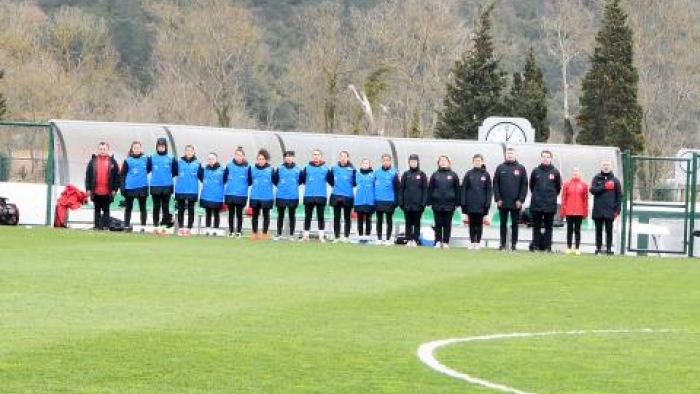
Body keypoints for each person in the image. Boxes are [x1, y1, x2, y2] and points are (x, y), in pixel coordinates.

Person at [493, 148, 528, 251]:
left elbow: (524, 185)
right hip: (502, 202)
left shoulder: (521, 168)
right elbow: (495, 184)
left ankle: (514, 244)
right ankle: (502, 244)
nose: (510, 155)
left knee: (515, 224)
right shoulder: (500, 167)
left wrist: (520, 200)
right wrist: (498, 198)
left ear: (515, 155)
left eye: (511, 153)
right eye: (508, 153)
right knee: (503, 224)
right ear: (505, 155)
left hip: (515, 202)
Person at [528, 150, 562, 252]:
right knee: (536, 227)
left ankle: (548, 247)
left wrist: (550, 197)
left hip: (549, 205)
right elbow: (531, 186)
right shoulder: (535, 171)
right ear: (541, 158)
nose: (545, 158)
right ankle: (535, 246)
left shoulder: (555, 172)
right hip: (536, 204)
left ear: (551, 159)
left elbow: (558, 188)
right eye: (544, 156)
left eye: (547, 157)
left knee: (548, 227)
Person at [590, 159, 622, 255]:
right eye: (604, 164)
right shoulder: (596, 178)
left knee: (609, 230)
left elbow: (619, 196)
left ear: (610, 166)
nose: (606, 166)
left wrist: (617, 210)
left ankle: (608, 249)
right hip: (598, 209)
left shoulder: (615, 180)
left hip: (610, 210)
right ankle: (598, 248)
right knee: (598, 230)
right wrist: (604, 186)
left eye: (607, 164)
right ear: (601, 166)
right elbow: (592, 190)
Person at [85, 142, 120, 230]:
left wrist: (115, 189)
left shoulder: (112, 161)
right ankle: (96, 226)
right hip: (95, 190)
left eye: (104, 149)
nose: (102, 151)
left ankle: (105, 226)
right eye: (101, 149)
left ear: (108, 150)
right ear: (98, 150)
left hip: (107, 191)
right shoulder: (93, 161)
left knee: (106, 210)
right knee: (96, 209)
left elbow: (117, 176)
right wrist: (88, 188)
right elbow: (88, 175)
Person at [428, 155, 460, 249]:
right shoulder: (435, 174)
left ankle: (446, 242)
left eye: (445, 160)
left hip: (449, 203)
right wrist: (429, 201)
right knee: (438, 223)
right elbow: (430, 189)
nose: (443, 162)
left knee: (447, 224)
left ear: (449, 162)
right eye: (441, 161)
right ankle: (438, 241)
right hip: (436, 203)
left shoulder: (453, 175)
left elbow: (457, 189)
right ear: (438, 163)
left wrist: (457, 202)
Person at [460, 154, 492, 249]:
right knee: (471, 224)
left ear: (482, 162)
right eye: (475, 160)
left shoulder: (486, 175)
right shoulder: (468, 174)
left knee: (479, 224)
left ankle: (477, 243)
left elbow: (489, 191)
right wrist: (463, 202)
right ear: (473, 162)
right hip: (470, 204)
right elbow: (464, 189)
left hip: (481, 205)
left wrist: (487, 203)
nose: (477, 162)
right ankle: (471, 242)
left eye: (479, 160)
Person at [300, 148, 330, 242]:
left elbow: (331, 181)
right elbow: (302, 180)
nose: (316, 156)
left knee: (320, 216)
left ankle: (321, 236)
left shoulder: (326, 169)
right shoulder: (307, 168)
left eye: (318, 155)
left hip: (321, 196)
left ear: (321, 157)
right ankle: (305, 236)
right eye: (314, 154)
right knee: (307, 216)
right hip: (308, 196)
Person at [398, 154, 428, 248]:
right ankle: (408, 240)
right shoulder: (406, 174)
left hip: (418, 204)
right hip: (407, 203)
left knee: (417, 223)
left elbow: (424, 190)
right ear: (409, 163)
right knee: (408, 222)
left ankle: (415, 240)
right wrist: (401, 202)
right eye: (411, 161)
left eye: (414, 161)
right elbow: (401, 189)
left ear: (418, 162)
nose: (413, 163)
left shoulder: (422, 174)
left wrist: (423, 203)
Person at [120, 141, 150, 230]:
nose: (137, 149)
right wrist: (122, 187)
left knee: (143, 208)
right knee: (128, 208)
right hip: (130, 187)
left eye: (138, 148)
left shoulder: (146, 159)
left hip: (142, 187)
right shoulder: (127, 160)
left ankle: (143, 227)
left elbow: (148, 170)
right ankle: (126, 226)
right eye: (135, 148)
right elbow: (122, 175)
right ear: (132, 149)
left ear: (141, 149)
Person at [273, 151, 301, 240]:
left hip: (293, 196)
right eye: (287, 156)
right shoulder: (279, 168)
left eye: (290, 156)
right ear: (284, 158)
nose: (288, 158)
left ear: (293, 158)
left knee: (292, 215)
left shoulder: (297, 169)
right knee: (280, 215)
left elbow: (300, 181)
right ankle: (279, 234)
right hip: (281, 195)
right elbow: (275, 180)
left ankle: (291, 235)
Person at [328, 150, 356, 242]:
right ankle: (336, 237)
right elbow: (330, 180)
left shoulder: (352, 169)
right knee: (337, 217)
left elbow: (355, 183)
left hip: (348, 196)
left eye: (344, 156)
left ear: (348, 158)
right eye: (341, 156)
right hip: (336, 195)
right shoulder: (334, 168)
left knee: (347, 217)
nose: (343, 158)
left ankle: (346, 237)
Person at [149, 138, 176, 231]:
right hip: (155, 185)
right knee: (156, 206)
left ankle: (164, 224)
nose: (161, 148)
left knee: (165, 206)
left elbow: (175, 172)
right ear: (157, 147)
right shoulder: (152, 158)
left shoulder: (171, 158)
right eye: (159, 146)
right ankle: (155, 225)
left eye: (163, 146)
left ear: (165, 147)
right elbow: (147, 169)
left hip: (167, 186)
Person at [560, 167, 588, 255]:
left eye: (577, 171)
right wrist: (563, 210)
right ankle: (568, 247)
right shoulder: (567, 184)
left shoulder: (584, 185)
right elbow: (563, 198)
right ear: (572, 173)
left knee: (577, 230)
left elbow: (586, 199)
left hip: (579, 212)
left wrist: (585, 211)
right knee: (569, 230)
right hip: (569, 211)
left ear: (580, 173)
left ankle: (577, 248)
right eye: (574, 171)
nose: (575, 173)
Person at [173, 144, 199, 236]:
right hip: (181, 189)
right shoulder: (179, 162)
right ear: (185, 151)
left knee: (191, 210)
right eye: (187, 150)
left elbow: (202, 177)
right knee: (181, 209)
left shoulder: (197, 163)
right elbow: (173, 173)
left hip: (192, 190)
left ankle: (189, 229)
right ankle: (181, 228)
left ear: (193, 152)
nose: (189, 152)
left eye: (191, 150)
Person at [224, 146, 250, 238]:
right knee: (231, 213)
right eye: (237, 155)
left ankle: (238, 231)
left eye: (240, 155)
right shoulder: (229, 166)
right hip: (230, 193)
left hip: (241, 194)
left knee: (239, 213)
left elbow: (250, 180)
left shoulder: (247, 167)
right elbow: (224, 178)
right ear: (234, 155)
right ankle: (231, 231)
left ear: (243, 156)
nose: (238, 157)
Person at [374, 154, 400, 246]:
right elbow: (373, 186)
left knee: (389, 220)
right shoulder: (376, 172)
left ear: (390, 161)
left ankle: (388, 239)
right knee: (379, 220)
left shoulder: (394, 173)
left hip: (390, 200)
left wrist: (396, 201)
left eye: (387, 160)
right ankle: (379, 238)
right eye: (384, 160)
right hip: (378, 200)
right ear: (382, 161)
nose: (385, 162)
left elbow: (397, 188)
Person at [249, 148, 274, 240]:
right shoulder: (252, 169)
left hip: (267, 196)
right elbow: (249, 181)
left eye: (263, 159)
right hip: (255, 195)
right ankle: (254, 233)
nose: (261, 160)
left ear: (266, 160)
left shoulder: (271, 169)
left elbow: (275, 181)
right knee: (255, 215)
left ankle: (264, 233)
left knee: (266, 215)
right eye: (259, 159)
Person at [198, 153, 225, 234]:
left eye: (213, 158)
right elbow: (201, 179)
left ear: (216, 159)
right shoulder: (204, 170)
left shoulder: (222, 170)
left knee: (216, 213)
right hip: (206, 196)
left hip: (217, 196)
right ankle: (208, 229)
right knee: (208, 213)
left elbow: (226, 180)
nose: (211, 160)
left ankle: (216, 230)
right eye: (209, 158)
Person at [354, 158, 375, 242]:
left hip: (369, 200)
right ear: (361, 165)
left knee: (368, 220)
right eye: (363, 163)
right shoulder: (357, 174)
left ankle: (367, 237)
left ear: (369, 165)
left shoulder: (373, 175)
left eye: (367, 163)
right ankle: (360, 237)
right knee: (360, 220)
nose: (365, 164)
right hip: (359, 200)